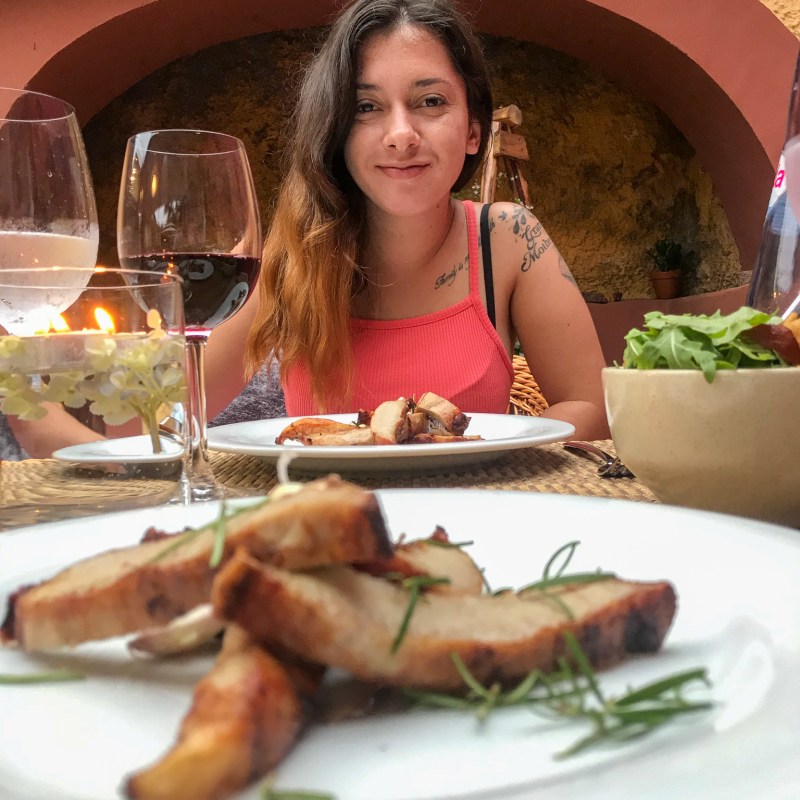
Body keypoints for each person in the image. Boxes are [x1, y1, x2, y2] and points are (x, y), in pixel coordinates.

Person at [245, 0, 609, 440]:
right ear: (337, 130)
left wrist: (489, 451)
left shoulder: (509, 238)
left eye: (431, 101)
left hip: (475, 504)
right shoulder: (295, 247)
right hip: (325, 508)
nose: (401, 135)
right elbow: (174, 397)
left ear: (474, 129)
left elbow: (590, 406)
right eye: (365, 106)